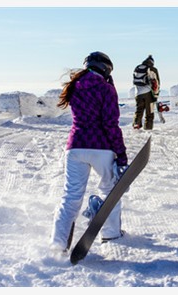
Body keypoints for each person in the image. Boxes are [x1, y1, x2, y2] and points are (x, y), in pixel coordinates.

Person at [50, 51, 128, 252]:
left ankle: (58, 243)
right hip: (102, 147)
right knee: (110, 190)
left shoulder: (74, 86)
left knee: (71, 196)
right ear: (106, 68)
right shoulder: (106, 89)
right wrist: (121, 154)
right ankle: (111, 234)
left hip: (75, 147)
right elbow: (110, 124)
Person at [132, 55, 161, 130]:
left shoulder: (138, 68)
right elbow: (157, 83)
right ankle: (148, 129)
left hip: (137, 93)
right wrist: (156, 95)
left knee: (139, 110)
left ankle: (136, 125)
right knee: (149, 113)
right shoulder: (153, 69)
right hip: (149, 94)